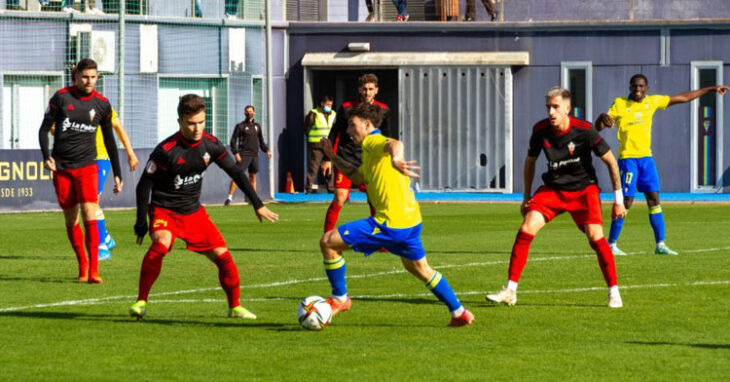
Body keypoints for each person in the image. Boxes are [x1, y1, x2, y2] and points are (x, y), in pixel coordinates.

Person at [319, 103, 474, 326]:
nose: (349, 131)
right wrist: (331, 156)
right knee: (421, 269)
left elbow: (394, 144)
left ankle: (340, 299)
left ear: (367, 124)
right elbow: (357, 176)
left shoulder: (373, 141)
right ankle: (459, 312)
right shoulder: (368, 150)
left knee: (328, 243)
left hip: (389, 223)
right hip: (411, 221)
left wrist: (396, 159)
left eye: (352, 125)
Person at [130, 94, 278, 320]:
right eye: (191, 123)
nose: (197, 128)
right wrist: (142, 221)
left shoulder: (211, 144)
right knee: (162, 243)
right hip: (164, 210)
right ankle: (141, 301)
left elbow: (236, 172)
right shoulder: (166, 150)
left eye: (201, 122)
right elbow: (143, 186)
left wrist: (257, 204)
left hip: (193, 212)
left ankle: (235, 307)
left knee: (224, 256)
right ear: (180, 121)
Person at [486, 87, 627, 308]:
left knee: (595, 237)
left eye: (555, 107)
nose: (551, 112)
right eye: (548, 107)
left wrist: (618, 200)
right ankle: (510, 290)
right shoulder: (540, 130)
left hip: (584, 190)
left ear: (567, 109)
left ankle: (614, 293)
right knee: (526, 228)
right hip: (553, 190)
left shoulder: (584, 130)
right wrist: (526, 197)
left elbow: (610, 161)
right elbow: (530, 161)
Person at [595, 74, 729, 256]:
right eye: (634, 86)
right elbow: (599, 126)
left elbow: (683, 98)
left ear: (647, 88)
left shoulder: (652, 102)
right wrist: (601, 118)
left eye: (641, 86)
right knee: (626, 201)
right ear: (629, 87)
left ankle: (660, 245)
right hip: (628, 160)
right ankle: (611, 244)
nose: (637, 89)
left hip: (647, 160)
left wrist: (710, 89)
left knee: (654, 200)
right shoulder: (619, 104)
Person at [38, 58, 123, 284]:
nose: (89, 81)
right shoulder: (61, 98)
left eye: (93, 77)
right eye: (85, 77)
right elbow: (44, 128)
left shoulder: (102, 104)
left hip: (88, 166)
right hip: (63, 168)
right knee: (70, 218)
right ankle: (82, 265)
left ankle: (94, 270)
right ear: (76, 77)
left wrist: (118, 172)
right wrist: (47, 156)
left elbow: (110, 140)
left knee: (89, 211)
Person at [324, 73, 391, 233]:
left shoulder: (384, 110)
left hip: (370, 161)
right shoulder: (347, 108)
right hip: (346, 158)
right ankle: (326, 237)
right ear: (359, 90)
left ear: (376, 90)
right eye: (364, 89)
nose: (367, 92)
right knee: (340, 197)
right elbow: (334, 133)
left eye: (370, 89)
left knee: (374, 200)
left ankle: (380, 240)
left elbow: (387, 137)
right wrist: (328, 159)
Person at [94, 108, 138, 260]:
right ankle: (105, 238)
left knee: (92, 202)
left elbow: (118, 128)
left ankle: (102, 248)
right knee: (84, 203)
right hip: (81, 159)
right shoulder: (70, 104)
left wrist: (130, 153)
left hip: (100, 158)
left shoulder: (102, 105)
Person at [224, 105, 271, 206]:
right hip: (243, 155)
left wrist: (267, 150)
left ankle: (252, 198)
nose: (249, 113)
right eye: (247, 111)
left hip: (254, 155)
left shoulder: (257, 126)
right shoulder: (240, 126)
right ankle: (229, 198)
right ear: (244, 113)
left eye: (251, 111)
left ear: (254, 112)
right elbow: (233, 140)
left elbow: (261, 142)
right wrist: (236, 153)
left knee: (252, 176)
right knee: (237, 176)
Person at [303, 95, 336, 194]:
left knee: (330, 167)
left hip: (326, 144)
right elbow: (306, 127)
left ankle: (330, 188)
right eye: (327, 105)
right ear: (322, 104)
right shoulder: (313, 114)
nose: (329, 107)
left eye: (331, 105)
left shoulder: (333, 114)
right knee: (314, 167)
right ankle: (308, 189)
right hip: (316, 144)